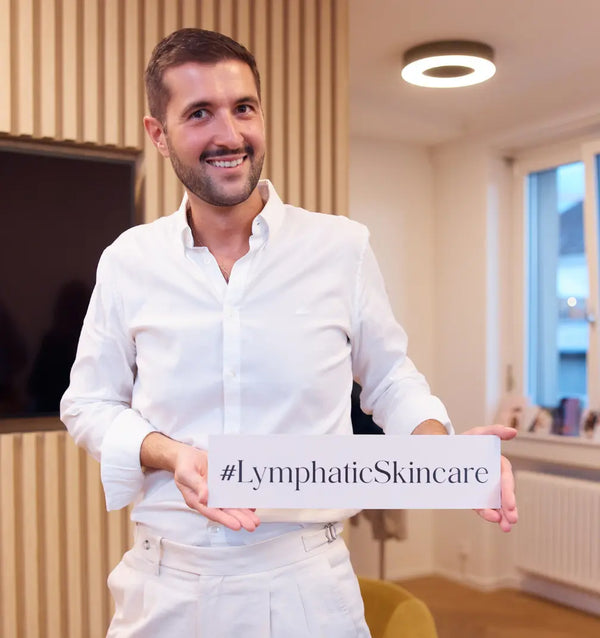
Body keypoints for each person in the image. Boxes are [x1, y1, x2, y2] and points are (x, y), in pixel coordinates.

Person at [61, 28, 518, 638]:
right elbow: (88, 404)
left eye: (243, 107)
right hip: (165, 587)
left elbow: (390, 380)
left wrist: (443, 457)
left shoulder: (340, 247)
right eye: (199, 113)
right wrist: (171, 454)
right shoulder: (128, 262)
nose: (229, 134)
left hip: (306, 589)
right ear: (158, 134)